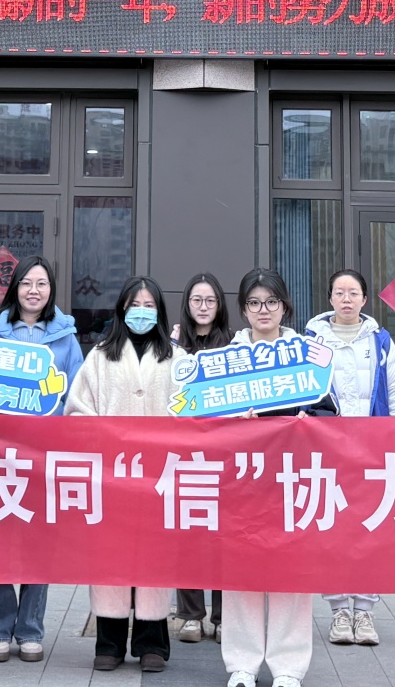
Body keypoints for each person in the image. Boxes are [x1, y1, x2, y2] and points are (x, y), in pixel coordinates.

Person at [221, 268, 335, 687]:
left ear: (285, 306)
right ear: (244, 310)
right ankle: (242, 664)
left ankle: (288, 667)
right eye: (254, 303)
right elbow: (206, 417)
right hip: (243, 480)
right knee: (241, 572)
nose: (263, 310)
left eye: (271, 302)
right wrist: (235, 419)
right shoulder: (227, 358)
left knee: (291, 572)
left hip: (293, 479)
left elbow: (330, 412)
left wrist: (308, 420)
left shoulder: (307, 354)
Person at [69, 276, 179, 673]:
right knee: (110, 556)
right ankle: (110, 642)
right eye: (135, 305)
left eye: (149, 305)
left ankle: (153, 643)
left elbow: (192, 411)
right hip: (111, 474)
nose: (142, 312)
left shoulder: (177, 357)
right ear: (122, 309)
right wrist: (105, 436)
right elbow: (77, 408)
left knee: (156, 558)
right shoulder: (100, 356)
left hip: (160, 475)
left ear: (160, 312)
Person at [0, 255, 84, 664]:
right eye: (26, 283)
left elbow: (75, 394)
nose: (33, 291)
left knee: (39, 543)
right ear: (15, 288)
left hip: (45, 453)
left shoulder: (66, 337)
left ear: (51, 290)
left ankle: (30, 629)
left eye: (42, 284)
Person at [304, 268, 395, 648]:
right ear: (330, 298)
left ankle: (364, 611)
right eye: (339, 292)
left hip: (372, 449)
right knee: (332, 529)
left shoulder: (380, 341)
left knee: (370, 529)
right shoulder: (310, 341)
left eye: (353, 293)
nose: (346, 299)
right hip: (326, 451)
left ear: (364, 299)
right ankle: (338, 612)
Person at [173, 271, 231, 643]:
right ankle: (191, 616)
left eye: (210, 300)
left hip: (224, 453)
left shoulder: (234, 345)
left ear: (220, 305)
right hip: (183, 453)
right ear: (187, 303)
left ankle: (223, 617)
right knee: (188, 536)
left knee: (224, 537)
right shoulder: (172, 346)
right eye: (197, 300)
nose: (204, 306)